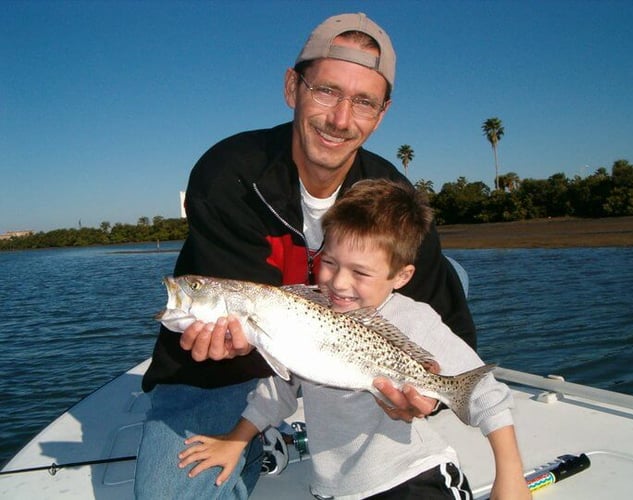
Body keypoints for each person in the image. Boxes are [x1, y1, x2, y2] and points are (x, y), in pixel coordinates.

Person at [135, 13, 476, 498]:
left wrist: (430, 398)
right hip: (232, 373)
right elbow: (224, 314)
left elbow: (451, 321)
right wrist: (226, 350)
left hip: (343, 353)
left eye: (363, 102)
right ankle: (263, 434)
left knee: (450, 274)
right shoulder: (228, 173)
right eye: (326, 91)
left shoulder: (391, 194)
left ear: (382, 113)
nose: (341, 119)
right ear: (293, 88)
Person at [178, 179, 531, 499]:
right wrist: (236, 441)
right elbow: (276, 393)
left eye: (360, 272)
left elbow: (483, 392)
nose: (339, 283)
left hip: (412, 477)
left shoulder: (415, 319)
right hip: (334, 490)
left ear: (402, 275)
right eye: (329, 263)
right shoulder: (298, 314)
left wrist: (511, 476)